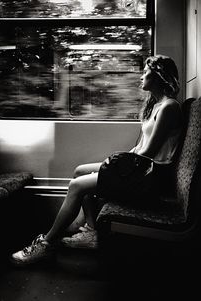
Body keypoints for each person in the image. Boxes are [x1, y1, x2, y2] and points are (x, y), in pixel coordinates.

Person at [11, 54, 183, 266]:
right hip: (143, 169)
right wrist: (117, 162)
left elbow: (148, 152)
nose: (141, 77)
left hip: (153, 176)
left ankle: (45, 244)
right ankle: (92, 232)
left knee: (76, 186)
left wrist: (117, 166)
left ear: (159, 76)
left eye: (145, 73)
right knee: (80, 170)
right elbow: (140, 148)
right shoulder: (156, 106)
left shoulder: (169, 107)